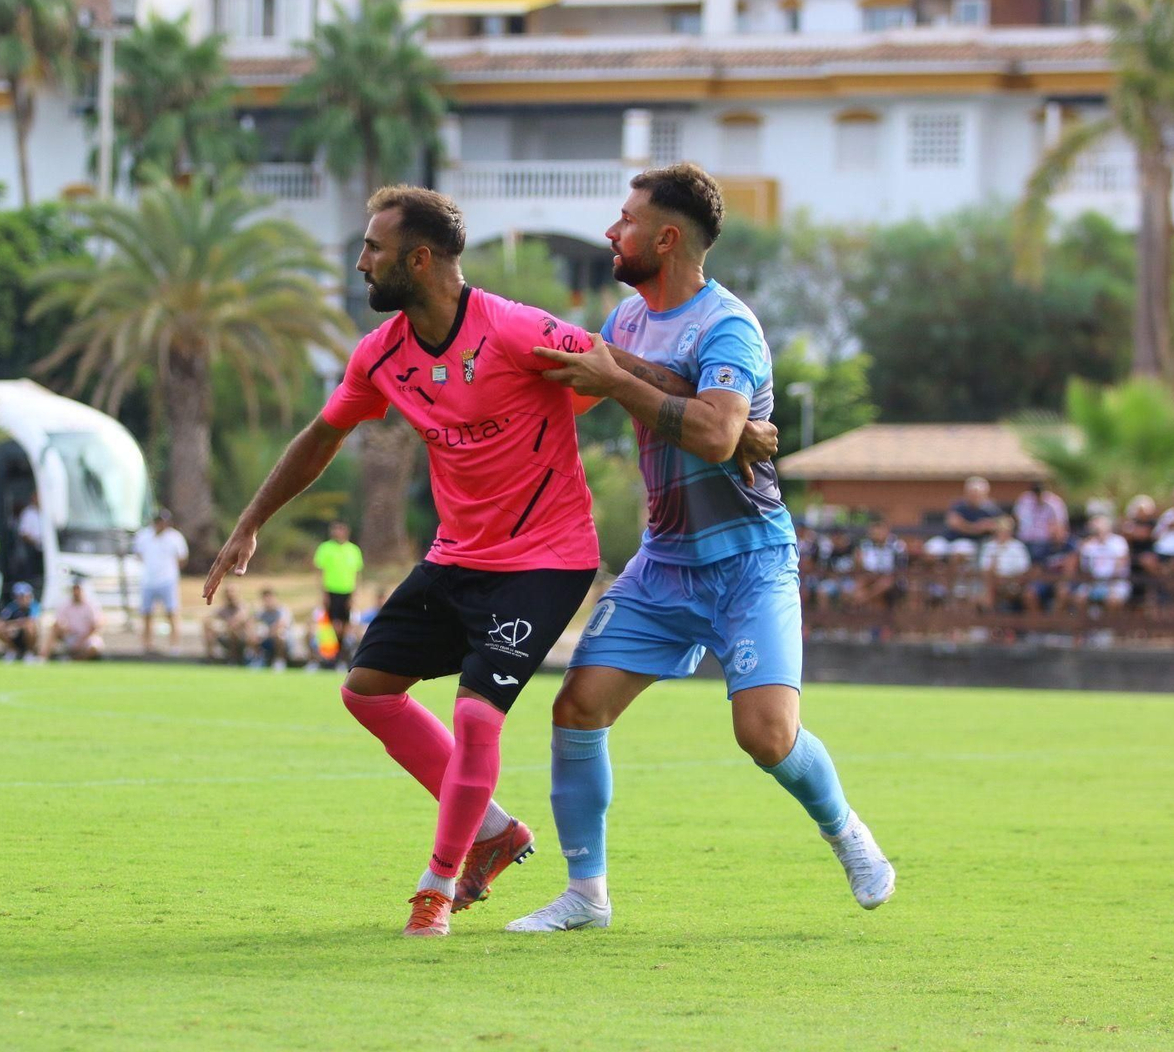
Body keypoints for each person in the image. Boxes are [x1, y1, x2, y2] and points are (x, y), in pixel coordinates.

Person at [205, 183, 777, 937]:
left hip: (547, 557)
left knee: (477, 714)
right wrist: (249, 522)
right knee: (368, 691)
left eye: (373, 250)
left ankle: (435, 889)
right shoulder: (380, 356)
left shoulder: (513, 329)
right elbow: (319, 436)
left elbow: (621, 366)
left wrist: (738, 427)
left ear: (419, 259)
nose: (360, 264)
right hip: (458, 556)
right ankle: (497, 830)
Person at [505, 163, 894, 934]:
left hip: (749, 562)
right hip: (663, 562)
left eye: (625, 220)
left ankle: (847, 831)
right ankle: (587, 894)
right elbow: (579, 383)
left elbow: (719, 434)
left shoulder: (729, 327)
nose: (613, 234)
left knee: (766, 734)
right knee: (577, 708)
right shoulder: (625, 321)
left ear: (667, 236)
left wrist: (619, 382)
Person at [132, 509, 188, 655]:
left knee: (172, 612)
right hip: (148, 580)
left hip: (168, 580)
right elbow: (139, 555)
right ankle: (147, 646)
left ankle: (174, 647)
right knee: (146, 614)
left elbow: (182, 558)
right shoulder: (143, 536)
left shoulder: (175, 537)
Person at [312, 521, 364, 665]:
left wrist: (354, 595)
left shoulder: (353, 550)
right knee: (333, 625)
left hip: (347, 591)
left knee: (346, 625)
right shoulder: (325, 548)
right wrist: (323, 594)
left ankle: (342, 655)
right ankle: (331, 656)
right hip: (331, 591)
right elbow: (320, 572)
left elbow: (357, 574)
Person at [1074, 515, 1132, 615]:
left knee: (1112, 600)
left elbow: (1120, 565)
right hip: (1093, 582)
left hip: (1115, 583)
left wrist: (1109, 584)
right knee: (1079, 598)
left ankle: (1110, 628)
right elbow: (1085, 568)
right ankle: (1084, 628)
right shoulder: (1088, 544)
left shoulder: (1119, 542)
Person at [976, 516, 1032, 613]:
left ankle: (991, 618)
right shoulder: (989, 546)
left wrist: (1006, 579)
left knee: (991, 589)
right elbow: (984, 569)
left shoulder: (1018, 547)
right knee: (985, 590)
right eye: (1000, 530)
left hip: (1013, 583)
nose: (1002, 533)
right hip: (993, 582)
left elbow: (1024, 570)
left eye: (1005, 530)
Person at [43, 578, 104, 661]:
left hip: (87, 638)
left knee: (93, 648)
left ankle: (74, 660)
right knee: (55, 629)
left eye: (78, 589)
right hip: (71, 636)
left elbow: (96, 626)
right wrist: (65, 629)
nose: (76, 592)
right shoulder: (65, 604)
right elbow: (57, 622)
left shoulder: (91, 605)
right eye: (74, 589)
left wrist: (80, 641)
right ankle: (42, 657)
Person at [1013, 481, 1069, 560]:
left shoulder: (1054, 503)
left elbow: (1060, 524)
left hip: (1046, 541)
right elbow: (1017, 518)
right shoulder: (1025, 500)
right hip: (1025, 540)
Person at [944, 476, 1003, 546]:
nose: (975, 496)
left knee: (961, 549)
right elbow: (954, 523)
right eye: (972, 493)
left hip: (979, 542)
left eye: (978, 493)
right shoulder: (959, 505)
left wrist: (992, 525)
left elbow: (1003, 523)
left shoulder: (991, 508)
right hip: (952, 538)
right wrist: (977, 527)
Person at [0, 582, 41, 662]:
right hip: (14, 634)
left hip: (29, 636)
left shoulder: (34, 605)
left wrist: (15, 625)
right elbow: (0, 620)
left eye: (24, 596)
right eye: (19, 596)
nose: (22, 599)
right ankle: (12, 650)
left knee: (30, 627)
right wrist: (10, 626)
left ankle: (29, 652)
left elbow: (32, 621)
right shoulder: (12, 606)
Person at [203, 587, 251, 664]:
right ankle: (210, 657)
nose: (230, 595)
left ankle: (233, 658)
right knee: (208, 627)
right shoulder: (223, 609)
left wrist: (225, 626)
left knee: (233, 630)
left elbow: (237, 621)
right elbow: (209, 618)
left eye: (232, 593)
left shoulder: (243, 607)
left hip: (242, 639)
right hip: (226, 634)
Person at [253, 587, 291, 671]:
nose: (268, 600)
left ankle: (279, 661)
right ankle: (258, 659)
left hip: (284, 641)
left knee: (280, 634)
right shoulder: (261, 612)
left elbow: (281, 625)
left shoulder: (282, 610)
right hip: (267, 639)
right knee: (254, 634)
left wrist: (267, 634)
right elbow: (253, 622)